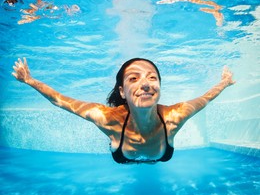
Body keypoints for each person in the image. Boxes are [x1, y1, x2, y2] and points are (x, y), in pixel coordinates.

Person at [12, 57, 235, 164]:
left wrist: (224, 83)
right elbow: (62, 101)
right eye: (134, 78)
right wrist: (30, 81)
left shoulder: (174, 117)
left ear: (159, 86)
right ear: (122, 91)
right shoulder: (109, 119)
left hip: (158, 157)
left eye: (152, 78)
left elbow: (206, 98)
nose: (145, 84)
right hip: (124, 156)